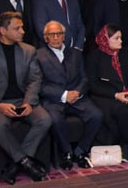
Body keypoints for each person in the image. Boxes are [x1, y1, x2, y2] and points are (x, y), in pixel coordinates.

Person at [0, 12, 51, 183]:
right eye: (17, 28)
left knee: (44, 119)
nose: (22, 31)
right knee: (0, 125)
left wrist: (28, 103)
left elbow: (35, 80)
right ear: (3, 30)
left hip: (22, 100)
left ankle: (17, 163)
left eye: (22, 27)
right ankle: (26, 162)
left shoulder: (28, 50)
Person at [36, 21, 104, 170]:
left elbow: (84, 78)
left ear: (64, 36)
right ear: (45, 37)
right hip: (54, 100)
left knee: (96, 115)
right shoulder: (38, 56)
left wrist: (77, 92)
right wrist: (64, 95)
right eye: (51, 34)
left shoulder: (75, 53)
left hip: (77, 97)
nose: (55, 37)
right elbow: (39, 85)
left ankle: (80, 151)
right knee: (53, 119)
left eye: (59, 34)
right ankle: (66, 152)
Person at [86, 24, 128, 163]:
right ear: (105, 39)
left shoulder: (125, 54)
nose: (121, 41)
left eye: (121, 38)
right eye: (117, 38)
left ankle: (125, 145)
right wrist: (115, 95)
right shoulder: (94, 57)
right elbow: (93, 85)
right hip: (105, 96)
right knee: (123, 112)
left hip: (124, 93)